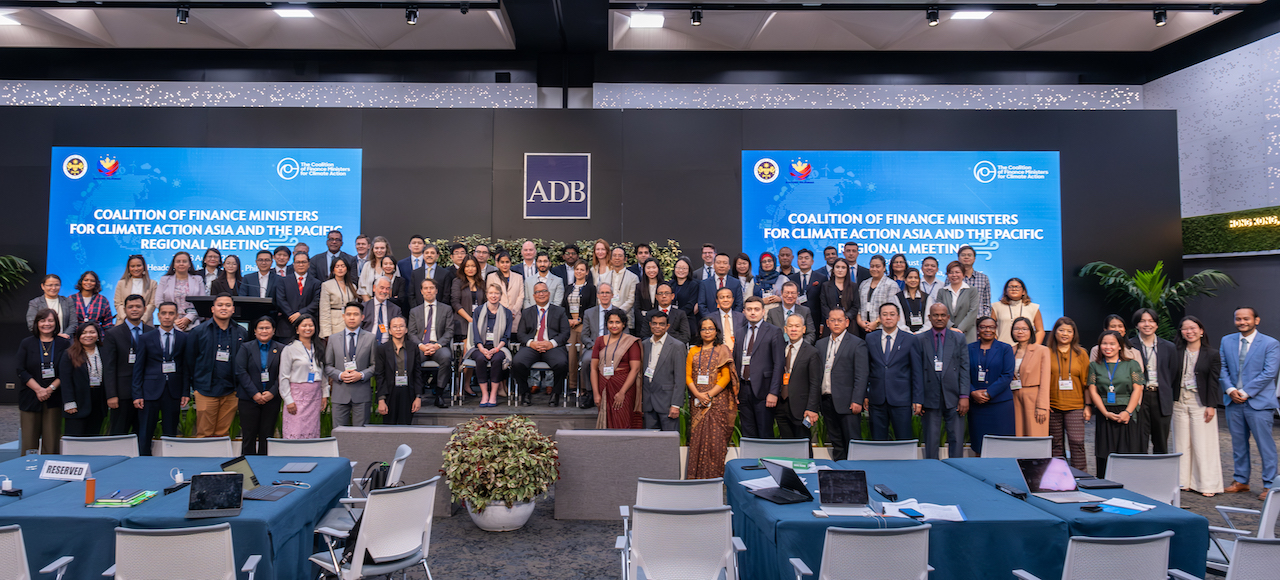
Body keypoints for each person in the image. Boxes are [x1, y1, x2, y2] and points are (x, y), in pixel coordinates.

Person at [1219, 306, 1279, 500]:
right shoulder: (1226, 341)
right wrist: (1230, 390)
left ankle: (1270, 485)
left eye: (1246, 319)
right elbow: (1222, 368)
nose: (1242, 322)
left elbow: (1269, 372)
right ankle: (1241, 481)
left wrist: (1245, 392)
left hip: (1259, 402)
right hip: (1233, 401)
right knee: (1238, 444)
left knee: (1265, 446)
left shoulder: (1270, 343)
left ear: (1256, 320)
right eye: (1238, 319)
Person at [1173, 316, 1223, 497]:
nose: (1189, 332)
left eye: (1193, 328)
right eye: (1185, 328)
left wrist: (1211, 405)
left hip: (1200, 402)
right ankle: (1182, 481)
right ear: (1181, 332)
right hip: (1178, 401)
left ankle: (1207, 485)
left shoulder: (1212, 354)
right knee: (1181, 443)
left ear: (1201, 331)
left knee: (1203, 444)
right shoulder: (1176, 351)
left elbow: (1213, 381)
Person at [186, 293, 246, 438]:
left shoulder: (241, 332)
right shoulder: (198, 331)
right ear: (213, 309)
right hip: (206, 389)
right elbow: (189, 361)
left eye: (228, 305)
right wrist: (195, 388)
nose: (223, 308)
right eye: (220, 305)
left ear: (233, 309)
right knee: (204, 434)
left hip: (231, 391)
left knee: (222, 434)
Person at [686, 317, 739, 479]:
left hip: (717, 402)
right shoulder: (693, 351)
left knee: (716, 443)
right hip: (697, 403)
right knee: (698, 441)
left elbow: (726, 376)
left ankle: (715, 478)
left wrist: (709, 395)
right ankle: (696, 478)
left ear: (716, 331)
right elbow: (688, 376)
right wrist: (698, 394)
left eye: (710, 328)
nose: (707, 331)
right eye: (704, 329)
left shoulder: (723, 349)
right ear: (699, 332)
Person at [1088, 329, 1145, 476]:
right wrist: (1105, 412)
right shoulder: (1095, 365)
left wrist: (1127, 412)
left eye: (1112, 344)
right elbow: (1093, 391)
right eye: (1104, 344)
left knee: (1128, 452)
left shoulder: (1132, 364)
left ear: (1120, 346)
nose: (1108, 347)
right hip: (1105, 412)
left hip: (1127, 413)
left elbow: (1137, 389)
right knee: (1105, 453)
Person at [132, 302, 188, 449]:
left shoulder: (184, 338)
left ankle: (169, 462)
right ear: (158, 316)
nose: (167, 317)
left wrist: (185, 391)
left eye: (171, 313)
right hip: (150, 391)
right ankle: (143, 461)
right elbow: (138, 367)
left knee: (170, 432)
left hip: (173, 391)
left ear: (176, 316)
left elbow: (185, 367)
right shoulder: (146, 338)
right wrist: (137, 393)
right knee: (145, 431)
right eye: (164, 313)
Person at [816, 308, 869, 461]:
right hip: (827, 401)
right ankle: (839, 473)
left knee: (852, 442)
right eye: (832, 320)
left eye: (840, 320)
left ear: (847, 322)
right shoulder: (820, 344)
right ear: (827, 323)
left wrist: (857, 400)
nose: (836, 323)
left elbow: (861, 374)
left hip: (848, 402)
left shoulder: (857, 344)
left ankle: (856, 475)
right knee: (836, 442)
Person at [918, 303, 969, 460]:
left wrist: (964, 396)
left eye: (942, 315)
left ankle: (958, 473)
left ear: (948, 317)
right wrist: (918, 399)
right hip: (929, 397)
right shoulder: (920, 339)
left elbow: (964, 368)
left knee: (956, 440)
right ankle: (932, 474)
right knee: (931, 441)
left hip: (954, 397)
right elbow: (917, 371)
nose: (939, 318)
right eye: (935, 315)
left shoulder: (959, 338)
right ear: (929, 317)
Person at [866, 302, 923, 441]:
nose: (888, 318)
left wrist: (917, 398)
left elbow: (917, 371)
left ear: (898, 317)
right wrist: (864, 395)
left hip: (901, 399)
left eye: (892, 314)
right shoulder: (870, 338)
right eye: (884, 315)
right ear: (879, 317)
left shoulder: (910, 339)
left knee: (904, 440)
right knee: (878, 442)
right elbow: (866, 369)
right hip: (877, 398)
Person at [16, 309, 67, 454]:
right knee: (28, 443)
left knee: (51, 443)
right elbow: (21, 370)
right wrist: (39, 389)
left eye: (50, 321)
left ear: (56, 323)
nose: (47, 324)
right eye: (43, 320)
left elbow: (65, 371)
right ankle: (28, 472)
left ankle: (49, 474)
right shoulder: (27, 343)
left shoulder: (64, 344)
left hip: (54, 397)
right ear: (37, 323)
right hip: (30, 396)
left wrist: (49, 389)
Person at [511, 282, 570, 406]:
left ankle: (556, 393)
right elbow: (521, 334)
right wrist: (531, 343)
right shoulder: (527, 312)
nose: (541, 294)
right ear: (533, 295)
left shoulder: (559, 311)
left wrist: (551, 343)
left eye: (544, 291)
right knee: (517, 362)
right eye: (538, 292)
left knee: (562, 363)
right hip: (532, 346)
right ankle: (525, 392)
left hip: (552, 346)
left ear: (549, 293)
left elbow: (565, 333)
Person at [734, 296, 786, 439]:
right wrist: (735, 390)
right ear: (744, 312)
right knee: (747, 432)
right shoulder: (739, 332)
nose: (753, 312)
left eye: (756, 309)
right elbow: (736, 361)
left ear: (763, 312)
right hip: (743, 389)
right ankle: (749, 461)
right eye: (749, 309)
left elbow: (779, 364)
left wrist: (774, 392)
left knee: (764, 432)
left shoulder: (774, 331)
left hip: (764, 390)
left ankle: (764, 461)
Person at [100, 294, 151, 437]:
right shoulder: (113, 334)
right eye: (130, 307)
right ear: (125, 309)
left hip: (146, 393)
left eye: (138, 306)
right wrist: (111, 395)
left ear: (145, 309)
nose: (134, 309)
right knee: (118, 434)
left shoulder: (152, 332)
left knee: (143, 435)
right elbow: (109, 367)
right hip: (121, 395)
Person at [1130, 308, 1176, 454]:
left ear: (1156, 325)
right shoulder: (1129, 346)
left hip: (1161, 397)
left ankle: (1160, 475)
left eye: (1151, 321)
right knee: (1139, 441)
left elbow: (1173, 373)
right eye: (1142, 321)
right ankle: (1141, 474)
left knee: (1161, 441)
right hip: (1139, 397)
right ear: (1136, 325)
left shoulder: (1169, 347)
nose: (1147, 324)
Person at [233, 316, 282, 455]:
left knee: (267, 436)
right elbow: (240, 371)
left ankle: (264, 467)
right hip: (249, 399)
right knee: (248, 436)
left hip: (271, 399)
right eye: (261, 328)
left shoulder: (281, 349)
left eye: (268, 328)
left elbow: (284, 374)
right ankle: (247, 468)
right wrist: (255, 393)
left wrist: (272, 392)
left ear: (273, 331)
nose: (264, 331)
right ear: (254, 331)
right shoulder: (246, 347)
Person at [1047, 317, 1091, 471]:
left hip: (1076, 406)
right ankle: (1058, 476)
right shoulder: (1046, 352)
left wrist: (1088, 406)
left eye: (1069, 331)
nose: (1065, 334)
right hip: (1052, 406)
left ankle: (1081, 476)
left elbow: (1087, 383)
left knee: (1077, 441)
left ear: (1074, 334)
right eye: (1061, 330)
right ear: (1055, 332)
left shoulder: (1082, 354)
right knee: (1055, 444)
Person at [967, 317, 1015, 456]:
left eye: (991, 327)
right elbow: (962, 374)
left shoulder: (1005, 349)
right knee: (979, 445)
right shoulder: (969, 348)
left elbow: (1007, 375)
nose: (987, 330)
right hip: (977, 405)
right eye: (983, 327)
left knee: (1002, 446)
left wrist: (988, 393)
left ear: (996, 329)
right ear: (978, 329)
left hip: (1000, 405)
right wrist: (972, 392)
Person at [325, 302, 376, 426]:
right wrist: (340, 375)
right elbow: (327, 365)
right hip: (339, 393)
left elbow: (375, 365)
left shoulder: (371, 338)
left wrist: (362, 375)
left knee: (361, 436)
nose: (352, 317)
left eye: (355, 314)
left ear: (362, 317)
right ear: (343, 316)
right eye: (348, 314)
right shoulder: (333, 338)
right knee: (339, 434)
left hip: (362, 394)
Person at [408, 279, 455, 408]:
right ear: (421, 291)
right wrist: (421, 346)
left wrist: (437, 345)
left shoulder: (446, 309)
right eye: (426, 288)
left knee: (446, 358)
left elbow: (450, 331)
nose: (429, 291)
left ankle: (439, 394)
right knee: (410, 359)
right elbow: (411, 333)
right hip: (421, 346)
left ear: (436, 290)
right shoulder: (414, 311)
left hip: (438, 345)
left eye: (431, 288)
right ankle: (416, 394)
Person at [592, 309, 642, 428]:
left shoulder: (631, 342)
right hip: (604, 386)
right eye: (611, 322)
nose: (614, 325)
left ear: (624, 324)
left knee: (623, 420)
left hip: (624, 386)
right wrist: (596, 394)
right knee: (606, 421)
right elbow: (593, 369)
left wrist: (622, 392)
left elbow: (635, 369)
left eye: (617, 322)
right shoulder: (599, 341)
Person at [279, 314, 328, 439]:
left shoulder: (318, 347)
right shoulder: (289, 349)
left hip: (315, 396)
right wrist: (288, 400)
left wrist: (325, 394)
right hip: (297, 396)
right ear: (297, 329)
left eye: (311, 325)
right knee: (295, 430)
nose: (308, 328)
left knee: (312, 431)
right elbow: (283, 377)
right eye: (304, 325)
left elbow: (323, 373)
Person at [776, 313, 821, 443]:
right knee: (787, 445)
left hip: (801, 407)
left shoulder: (812, 352)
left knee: (803, 446)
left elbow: (815, 383)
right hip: (781, 405)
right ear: (785, 329)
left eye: (797, 326)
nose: (793, 329)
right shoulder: (780, 348)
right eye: (790, 326)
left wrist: (812, 408)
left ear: (804, 329)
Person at [468, 283, 513, 408]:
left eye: (496, 293)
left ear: (500, 295)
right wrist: (482, 349)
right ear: (486, 294)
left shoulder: (507, 313)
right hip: (480, 346)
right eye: (491, 293)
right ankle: (484, 394)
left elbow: (506, 335)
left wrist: (497, 348)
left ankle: (493, 394)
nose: (494, 296)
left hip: (499, 346)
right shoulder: (478, 311)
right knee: (480, 359)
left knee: (497, 359)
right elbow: (475, 333)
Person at [641, 311, 688, 431]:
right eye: (655, 323)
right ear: (650, 325)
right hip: (648, 403)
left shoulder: (677, 346)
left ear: (667, 326)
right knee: (650, 442)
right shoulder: (644, 344)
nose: (658, 327)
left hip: (667, 403)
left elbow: (680, 379)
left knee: (668, 443)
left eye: (661, 324)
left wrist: (676, 405)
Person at [375, 316, 425, 424]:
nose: (398, 329)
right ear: (390, 330)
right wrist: (381, 399)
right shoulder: (382, 349)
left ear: (406, 329)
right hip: (389, 392)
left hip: (407, 392)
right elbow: (380, 375)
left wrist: (418, 396)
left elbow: (417, 373)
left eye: (401, 326)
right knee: (389, 427)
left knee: (405, 427)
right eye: (395, 327)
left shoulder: (413, 347)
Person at [60, 322, 107, 436]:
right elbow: (65, 380)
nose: (88, 335)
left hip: (98, 400)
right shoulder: (70, 354)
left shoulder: (104, 351)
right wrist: (69, 402)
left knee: (93, 439)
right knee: (75, 439)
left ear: (98, 335)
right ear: (78, 336)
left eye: (92, 332)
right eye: (84, 333)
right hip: (77, 402)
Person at [1010, 317, 1051, 437]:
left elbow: (1045, 380)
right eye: (1017, 329)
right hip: (1014, 396)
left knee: (1035, 434)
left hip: (1034, 397)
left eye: (1024, 329)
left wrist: (1042, 406)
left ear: (1031, 331)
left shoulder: (1042, 350)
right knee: (1017, 435)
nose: (1020, 332)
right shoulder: (1009, 350)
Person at [563, 261, 596, 401]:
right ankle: (572, 386)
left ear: (587, 272)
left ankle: (584, 387)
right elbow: (563, 306)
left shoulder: (591, 288)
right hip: (570, 325)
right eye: (577, 269)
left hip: (584, 324)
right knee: (571, 354)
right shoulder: (568, 287)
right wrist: (569, 319)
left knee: (583, 355)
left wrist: (580, 319)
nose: (579, 272)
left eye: (582, 269)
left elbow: (592, 305)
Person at [275, 252, 321, 342]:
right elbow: (280, 300)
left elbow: (316, 302)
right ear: (293, 264)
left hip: (308, 327)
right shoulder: (283, 281)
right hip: (286, 326)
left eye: (303, 262)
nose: (300, 265)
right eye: (298, 262)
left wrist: (300, 314)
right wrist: (291, 315)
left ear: (308, 264)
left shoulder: (316, 283)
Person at [156, 252, 206, 331]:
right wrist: (173, 319)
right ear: (174, 265)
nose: (181, 264)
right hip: (170, 323)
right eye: (178, 261)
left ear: (189, 264)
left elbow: (202, 303)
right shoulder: (164, 280)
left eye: (184, 261)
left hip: (193, 324)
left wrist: (188, 318)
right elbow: (159, 301)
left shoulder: (198, 279)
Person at [932, 261, 979, 342]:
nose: (954, 275)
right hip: (947, 332)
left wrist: (959, 330)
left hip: (967, 333)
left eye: (957, 272)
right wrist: (950, 327)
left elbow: (973, 312)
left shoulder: (972, 290)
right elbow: (939, 312)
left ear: (963, 275)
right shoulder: (942, 291)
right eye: (951, 273)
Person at [992, 278, 1044, 346]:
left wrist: (1034, 347)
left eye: (1017, 287)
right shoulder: (996, 306)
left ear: (1023, 292)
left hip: (1026, 350)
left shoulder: (1033, 307)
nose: (1014, 289)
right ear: (1005, 291)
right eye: (1011, 287)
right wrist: (996, 346)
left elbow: (1040, 331)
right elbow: (991, 329)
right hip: (1002, 349)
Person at [318, 256, 359, 341]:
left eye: (343, 266)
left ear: (347, 269)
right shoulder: (327, 285)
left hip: (350, 323)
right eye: (337, 266)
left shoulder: (352, 286)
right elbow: (324, 311)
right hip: (334, 325)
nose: (340, 269)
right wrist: (326, 333)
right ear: (333, 270)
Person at [855, 256, 897, 338]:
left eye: (878, 266)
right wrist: (860, 322)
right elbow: (858, 306)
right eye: (872, 266)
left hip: (882, 328)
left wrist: (876, 322)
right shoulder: (864, 284)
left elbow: (891, 309)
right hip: (863, 328)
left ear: (884, 268)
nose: (874, 269)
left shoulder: (891, 285)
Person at [599, 247, 640, 330]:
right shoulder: (603, 277)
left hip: (626, 319)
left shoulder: (633, 278)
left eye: (620, 255)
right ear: (610, 259)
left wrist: (618, 313)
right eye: (614, 255)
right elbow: (599, 297)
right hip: (606, 319)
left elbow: (631, 300)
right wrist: (609, 313)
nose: (617, 258)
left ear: (625, 259)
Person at [819, 259, 860, 338]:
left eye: (843, 267)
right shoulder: (825, 286)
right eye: (837, 267)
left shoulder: (853, 286)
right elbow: (823, 305)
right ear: (833, 270)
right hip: (830, 325)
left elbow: (855, 306)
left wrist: (844, 319)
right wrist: (833, 318)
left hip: (849, 325)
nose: (840, 270)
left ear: (847, 270)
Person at [27, 274, 76, 338]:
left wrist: (64, 335)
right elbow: (32, 324)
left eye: (57, 285)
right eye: (50, 285)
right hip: (43, 340)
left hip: (65, 340)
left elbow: (73, 323)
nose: (53, 288)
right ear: (42, 286)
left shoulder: (68, 301)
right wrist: (52, 336)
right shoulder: (35, 303)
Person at [114, 254, 157, 325]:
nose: (136, 269)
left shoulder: (152, 284)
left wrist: (142, 320)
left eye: (139, 265)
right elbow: (118, 303)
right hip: (123, 322)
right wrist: (126, 318)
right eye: (132, 266)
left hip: (145, 323)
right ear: (128, 268)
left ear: (144, 267)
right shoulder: (121, 283)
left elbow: (152, 304)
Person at [486, 252, 525, 328]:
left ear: (510, 263)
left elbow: (521, 296)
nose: (505, 265)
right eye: (502, 262)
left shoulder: (518, 277)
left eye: (507, 262)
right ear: (498, 263)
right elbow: (489, 295)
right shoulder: (491, 277)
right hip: (496, 315)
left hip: (515, 316)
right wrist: (502, 311)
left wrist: (513, 312)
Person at [698, 252, 743, 316]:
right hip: (710, 321)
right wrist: (710, 320)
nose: (721, 266)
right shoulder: (704, 283)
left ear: (729, 266)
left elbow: (739, 304)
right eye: (718, 263)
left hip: (730, 320)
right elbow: (702, 305)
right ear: (713, 265)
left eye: (725, 263)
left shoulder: (736, 283)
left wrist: (732, 318)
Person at [363, 276, 404, 345]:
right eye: (381, 288)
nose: (384, 291)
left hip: (388, 345)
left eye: (387, 289)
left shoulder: (395, 309)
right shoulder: (364, 307)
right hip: (367, 344)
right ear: (374, 288)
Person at [409, 243, 449, 309]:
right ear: (423, 255)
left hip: (439, 311)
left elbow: (446, 295)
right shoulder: (415, 273)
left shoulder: (445, 273)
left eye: (432, 253)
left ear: (437, 256)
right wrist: (417, 310)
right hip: (419, 311)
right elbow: (411, 294)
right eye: (427, 253)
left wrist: (440, 310)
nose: (429, 255)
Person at [957, 246, 992, 317]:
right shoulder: (953, 277)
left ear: (974, 259)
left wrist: (984, 319)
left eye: (969, 255)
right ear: (958, 258)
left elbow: (987, 303)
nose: (966, 257)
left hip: (978, 321)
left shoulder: (983, 278)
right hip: (958, 321)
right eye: (963, 255)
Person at [896, 268, 928, 333]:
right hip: (904, 334)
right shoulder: (898, 297)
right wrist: (908, 333)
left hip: (924, 334)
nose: (913, 280)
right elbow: (899, 320)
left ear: (919, 280)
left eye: (916, 278)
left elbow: (929, 320)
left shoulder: (927, 297)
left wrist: (919, 332)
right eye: (910, 277)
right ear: (905, 280)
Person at [633, 258, 664, 325]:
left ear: (658, 269)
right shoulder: (639, 287)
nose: (651, 270)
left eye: (654, 267)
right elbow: (637, 308)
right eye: (648, 268)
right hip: (643, 323)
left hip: (661, 323)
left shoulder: (664, 286)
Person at [669, 257, 698, 321]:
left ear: (689, 270)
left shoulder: (694, 285)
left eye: (684, 268)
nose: (681, 270)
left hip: (687, 319)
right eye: (678, 268)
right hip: (670, 319)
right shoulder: (670, 284)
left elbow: (691, 305)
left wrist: (677, 315)